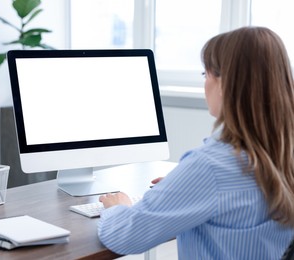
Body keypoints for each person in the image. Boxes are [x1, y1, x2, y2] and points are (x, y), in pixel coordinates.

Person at [97, 26, 294, 259]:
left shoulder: (211, 167)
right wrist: (185, 186)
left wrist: (119, 207)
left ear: (225, 84)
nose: (205, 84)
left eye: (205, 74)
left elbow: (125, 236)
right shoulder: (283, 154)